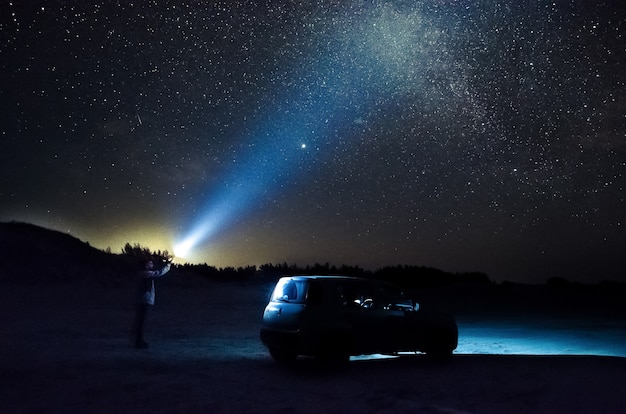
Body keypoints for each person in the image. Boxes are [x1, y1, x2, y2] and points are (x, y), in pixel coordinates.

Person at [132, 257, 172, 349]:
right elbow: (158, 273)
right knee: (141, 322)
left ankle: (138, 341)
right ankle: (139, 342)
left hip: (143, 300)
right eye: (150, 263)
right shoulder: (144, 273)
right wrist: (167, 266)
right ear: (145, 265)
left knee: (140, 322)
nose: (152, 265)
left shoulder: (143, 273)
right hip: (143, 301)